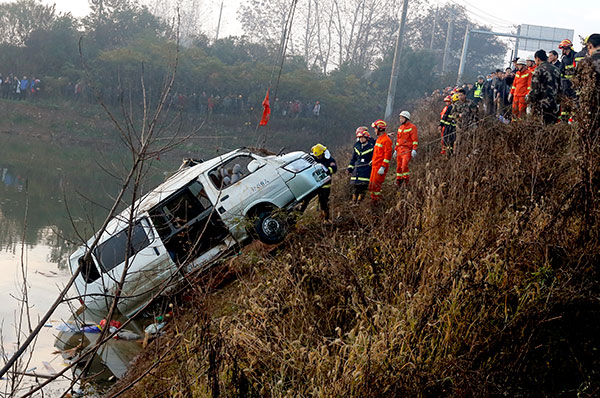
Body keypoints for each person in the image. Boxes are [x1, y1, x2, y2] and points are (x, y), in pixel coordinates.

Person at [300, 144, 337, 221]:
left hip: (325, 184)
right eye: (317, 156)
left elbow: (334, 168)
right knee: (306, 199)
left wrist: (327, 170)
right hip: (314, 184)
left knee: (323, 201)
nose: (318, 157)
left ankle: (326, 219)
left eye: (319, 156)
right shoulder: (312, 158)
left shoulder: (330, 160)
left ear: (323, 153)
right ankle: (298, 215)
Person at [573, 33, 600, 134]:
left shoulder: (585, 62)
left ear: (590, 46)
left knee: (588, 137)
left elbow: (577, 84)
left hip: (589, 108)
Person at [528, 49, 561, 125]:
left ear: (537, 58)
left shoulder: (538, 70)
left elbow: (534, 90)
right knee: (550, 128)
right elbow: (560, 88)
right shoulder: (556, 70)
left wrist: (530, 102)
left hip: (540, 105)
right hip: (553, 104)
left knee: (539, 128)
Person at [347, 127, 374, 203]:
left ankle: (359, 200)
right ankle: (353, 199)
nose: (361, 139)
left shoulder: (371, 148)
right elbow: (353, 159)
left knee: (363, 186)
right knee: (354, 186)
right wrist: (350, 168)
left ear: (366, 138)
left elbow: (373, 158)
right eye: (360, 138)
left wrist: (371, 163)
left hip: (365, 170)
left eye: (362, 138)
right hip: (357, 169)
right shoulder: (357, 147)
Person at [368, 120, 393, 202]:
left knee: (376, 186)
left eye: (375, 129)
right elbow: (378, 153)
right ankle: (373, 201)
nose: (374, 131)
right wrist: (373, 161)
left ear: (380, 129)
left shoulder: (386, 140)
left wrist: (383, 167)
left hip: (379, 167)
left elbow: (387, 156)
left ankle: (377, 203)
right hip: (375, 166)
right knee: (372, 186)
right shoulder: (379, 139)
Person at [395, 111, 418, 187]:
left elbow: (415, 140)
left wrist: (414, 149)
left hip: (407, 150)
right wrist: (395, 150)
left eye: (402, 118)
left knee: (404, 166)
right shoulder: (400, 128)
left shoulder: (412, 127)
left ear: (406, 118)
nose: (400, 119)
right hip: (399, 150)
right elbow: (398, 140)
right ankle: (399, 181)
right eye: (400, 118)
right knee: (398, 167)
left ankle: (406, 181)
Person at [559, 39, 577, 121]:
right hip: (566, 86)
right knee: (565, 105)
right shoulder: (564, 59)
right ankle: (564, 121)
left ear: (566, 48)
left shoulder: (575, 56)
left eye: (563, 48)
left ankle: (572, 121)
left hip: (575, 86)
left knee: (574, 104)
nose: (562, 50)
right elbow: (561, 71)